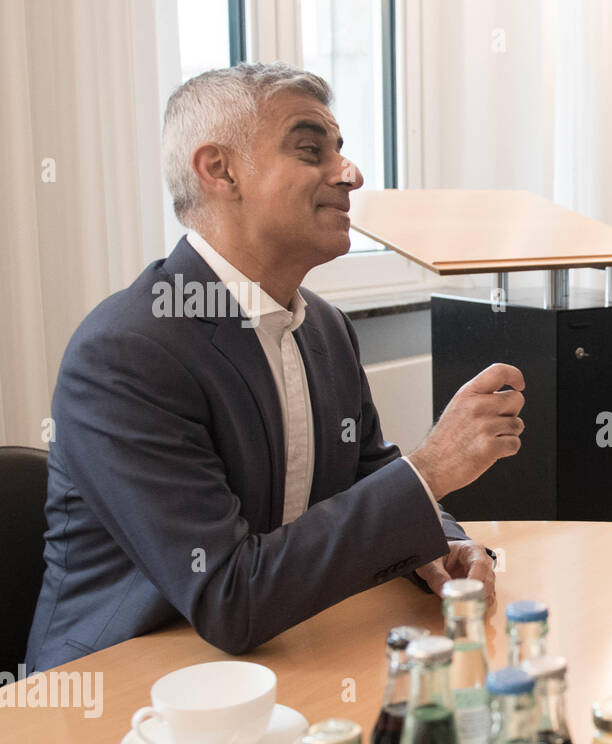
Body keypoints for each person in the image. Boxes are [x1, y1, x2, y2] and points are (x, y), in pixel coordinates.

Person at [26, 63, 524, 670]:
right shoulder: (124, 354)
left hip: (272, 660)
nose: (351, 174)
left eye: (341, 151)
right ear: (219, 170)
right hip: (121, 694)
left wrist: (442, 541)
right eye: (311, 150)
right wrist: (432, 469)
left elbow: (367, 472)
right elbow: (230, 595)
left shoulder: (326, 327)